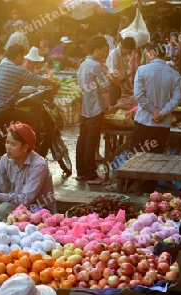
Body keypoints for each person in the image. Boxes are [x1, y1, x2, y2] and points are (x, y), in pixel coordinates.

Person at [0, 123, 56, 219]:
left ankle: (5, 231)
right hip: (17, 205)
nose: (8, 147)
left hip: (37, 210)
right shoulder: (6, 159)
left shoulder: (39, 165)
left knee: (4, 209)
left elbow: (26, 200)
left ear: (25, 148)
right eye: (7, 142)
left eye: (13, 144)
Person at [0, 44, 57, 130]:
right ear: (19, 55)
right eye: (22, 57)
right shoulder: (17, 70)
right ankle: (27, 143)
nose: (23, 60)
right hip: (1, 112)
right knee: (36, 119)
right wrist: (53, 84)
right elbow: (39, 80)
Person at [134, 42, 181, 154]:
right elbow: (176, 98)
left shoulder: (142, 70)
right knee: (156, 158)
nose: (144, 56)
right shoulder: (174, 73)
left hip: (143, 121)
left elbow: (139, 95)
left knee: (136, 159)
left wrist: (153, 110)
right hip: (162, 124)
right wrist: (162, 112)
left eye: (145, 53)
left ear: (151, 53)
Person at [75, 36, 110, 185]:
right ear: (96, 50)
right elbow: (106, 84)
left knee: (83, 138)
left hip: (85, 108)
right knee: (91, 140)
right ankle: (91, 174)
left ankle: (81, 172)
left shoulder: (83, 64)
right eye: (103, 50)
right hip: (95, 108)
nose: (105, 54)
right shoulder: (94, 65)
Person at [105, 36, 136, 107]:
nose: (128, 53)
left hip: (119, 84)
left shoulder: (124, 55)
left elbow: (125, 73)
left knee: (119, 105)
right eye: (128, 51)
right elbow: (112, 76)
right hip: (112, 84)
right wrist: (123, 87)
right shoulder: (114, 54)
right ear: (121, 47)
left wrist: (130, 86)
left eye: (130, 52)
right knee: (114, 106)